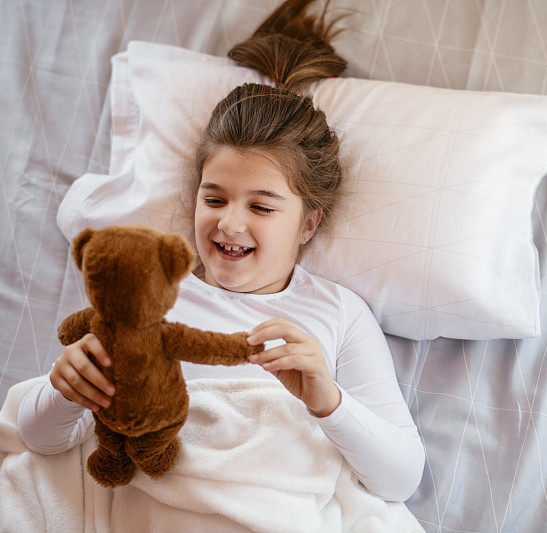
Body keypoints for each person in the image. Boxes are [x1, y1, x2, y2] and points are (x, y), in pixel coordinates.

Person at [17, 0, 424, 503]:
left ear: (309, 223)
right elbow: (40, 440)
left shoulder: (338, 315)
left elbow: (400, 481)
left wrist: (330, 402)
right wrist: (64, 390)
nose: (229, 222)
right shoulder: (151, 293)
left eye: (262, 207)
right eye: (214, 198)